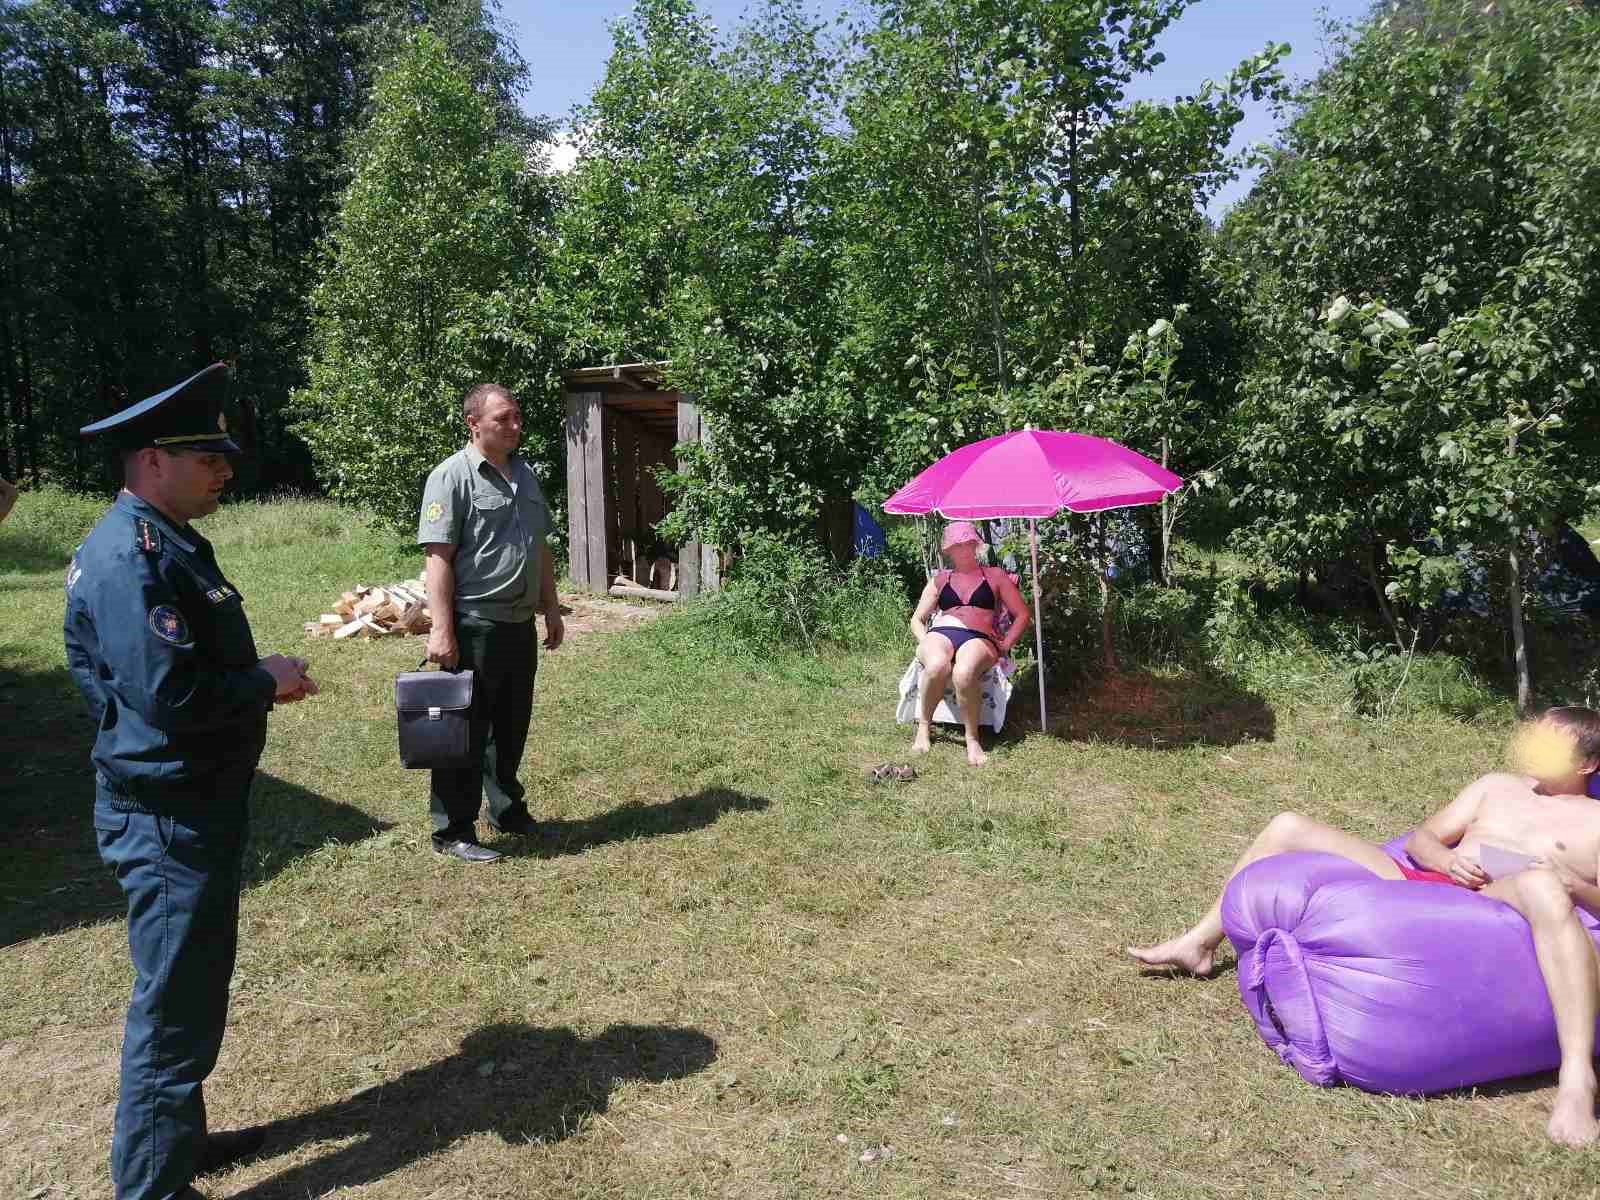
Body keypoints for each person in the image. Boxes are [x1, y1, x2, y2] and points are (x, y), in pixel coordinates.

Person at [63, 362, 320, 1200]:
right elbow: (169, 695)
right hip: (168, 814)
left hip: (187, 800)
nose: (223, 471)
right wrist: (264, 680)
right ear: (152, 461)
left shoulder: (160, 539)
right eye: (205, 457)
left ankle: (178, 1140)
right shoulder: (130, 557)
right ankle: (153, 1187)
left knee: (191, 987)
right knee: (173, 1006)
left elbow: (144, 679)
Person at [1127, 705, 1600, 1149]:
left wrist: (1572, 883)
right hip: (1424, 879)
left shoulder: (1594, 822)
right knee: (1287, 825)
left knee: (1541, 884)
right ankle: (1198, 944)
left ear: (1587, 764)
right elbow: (1422, 839)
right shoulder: (1497, 786)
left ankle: (1577, 1077)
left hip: (1495, 898)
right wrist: (1446, 860)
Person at [418, 382, 564, 863]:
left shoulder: (525, 474)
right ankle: (452, 830)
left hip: (518, 623)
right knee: (463, 730)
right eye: (503, 418)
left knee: (511, 725)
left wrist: (551, 607)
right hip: (474, 624)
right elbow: (438, 558)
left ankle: (506, 810)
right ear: (473, 423)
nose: (515, 425)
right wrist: (442, 629)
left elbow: (539, 546)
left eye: (517, 416)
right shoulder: (451, 477)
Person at [908, 521, 1031, 767]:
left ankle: (972, 738)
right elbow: (917, 619)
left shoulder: (995, 576)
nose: (962, 549)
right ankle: (923, 727)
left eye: (967, 544)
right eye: (956, 545)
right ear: (948, 550)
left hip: (979, 636)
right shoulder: (940, 580)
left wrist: (1006, 644)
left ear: (975, 545)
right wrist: (926, 639)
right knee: (937, 665)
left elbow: (1022, 614)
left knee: (963, 673)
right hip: (941, 632)